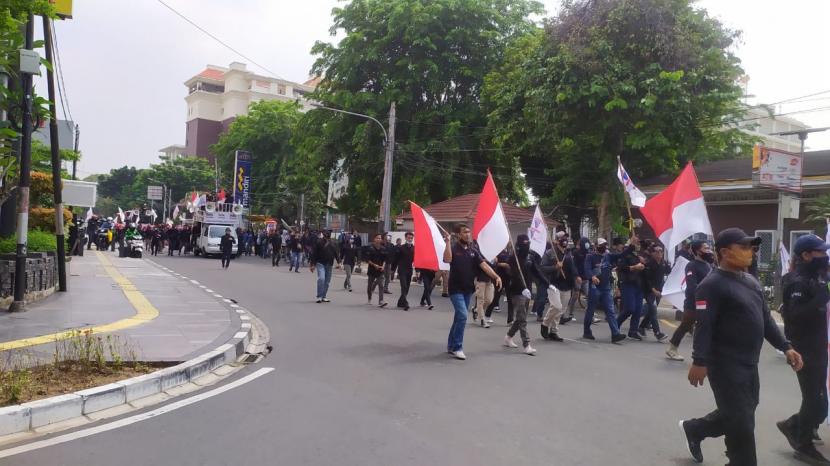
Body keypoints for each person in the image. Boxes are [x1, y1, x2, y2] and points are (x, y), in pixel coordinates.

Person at [679, 228, 803, 465]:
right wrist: (699, 361)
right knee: (743, 423)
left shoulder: (750, 281)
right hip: (724, 364)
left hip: (749, 363)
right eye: (744, 247)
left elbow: (766, 320)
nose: (751, 253)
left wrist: (786, 346)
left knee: (742, 413)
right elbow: (704, 326)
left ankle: (696, 429)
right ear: (725, 252)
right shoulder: (711, 285)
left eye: (751, 248)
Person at [777, 234, 830, 464]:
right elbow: (795, 316)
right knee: (814, 401)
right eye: (820, 252)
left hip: (818, 346)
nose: (825, 255)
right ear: (807, 255)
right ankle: (803, 445)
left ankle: (792, 425)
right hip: (804, 349)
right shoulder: (798, 281)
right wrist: (822, 297)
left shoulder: (815, 276)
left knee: (821, 405)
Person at [443, 224, 502, 360]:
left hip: (467, 289)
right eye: (465, 232)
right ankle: (458, 347)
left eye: (469, 232)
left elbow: (484, 266)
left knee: (459, 317)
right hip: (455, 289)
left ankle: (451, 345)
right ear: (458, 235)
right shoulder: (453, 249)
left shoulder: (473, 251)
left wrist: (496, 276)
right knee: (463, 315)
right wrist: (447, 242)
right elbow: (447, 259)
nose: (468, 234)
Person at [666, 240, 715, 361]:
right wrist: (703, 295)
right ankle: (672, 349)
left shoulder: (709, 266)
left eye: (709, 248)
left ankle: (706, 353)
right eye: (706, 248)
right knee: (686, 325)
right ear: (698, 251)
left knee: (706, 327)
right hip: (694, 303)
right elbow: (692, 286)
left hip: (708, 302)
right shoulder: (692, 265)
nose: (709, 250)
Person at [583, 238, 627, 343]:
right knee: (591, 310)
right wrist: (592, 277)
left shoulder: (608, 256)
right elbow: (587, 269)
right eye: (601, 245)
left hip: (606, 287)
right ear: (596, 246)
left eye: (605, 245)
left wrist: (631, 246)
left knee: (610, 311)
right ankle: (586, 331)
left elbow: (621, 255)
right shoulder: (590, 257)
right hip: (595, 287)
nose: (604, 247)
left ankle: (615, 334)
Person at [540, 232, 579, 341]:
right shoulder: (550, 253)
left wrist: (576, 279)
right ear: (556, 241)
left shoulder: (568, 254)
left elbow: (572, 269)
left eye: (566, 238)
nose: (565, 240)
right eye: (562, 238)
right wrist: (555, 267)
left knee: (561, 310)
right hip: (553, 284)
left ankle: (554, 331)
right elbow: (542, 268)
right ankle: (545, 323)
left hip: (567, 285)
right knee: (556, 306)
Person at [503, 234, 537, 356]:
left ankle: (508, 336)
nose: (526, 245)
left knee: (521, 317)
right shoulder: (513, 258)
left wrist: (548, 284)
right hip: (517, 291)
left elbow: (536, 271)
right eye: (524, 243)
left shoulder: (530, 257)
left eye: (528, 242)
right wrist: (522, 288)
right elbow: (514, 275)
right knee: (522, 319)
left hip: (527, 291)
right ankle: (526, 344)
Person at [615, 235, 647, 340]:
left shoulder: (639, 255)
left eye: (638, 243)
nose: (638, 244)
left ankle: (633, 331)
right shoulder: (624, 254)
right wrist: (634, 267)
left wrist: (643, 264)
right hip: (627, 283)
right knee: (629, 308)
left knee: (638, 309)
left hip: (638, 284)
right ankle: (615, 325)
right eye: (636, 242)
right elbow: (621, 268)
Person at [637, 244, 670, 341]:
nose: (659, 253)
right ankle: (658, 333)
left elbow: (669, 271)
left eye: (661, 251)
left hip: (659, 290)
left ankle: (641, 327)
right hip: (650, 291)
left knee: (650, 311)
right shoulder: (649, 264)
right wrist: (653, 290)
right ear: (652, 253)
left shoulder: (663, 263)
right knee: (653, 311)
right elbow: (647, 280)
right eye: (657, 251)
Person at [485, 248, 513, 325]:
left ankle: (510, 320)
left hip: (508, 278)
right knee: (496, 298)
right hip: (499, 278)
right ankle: (487, 314)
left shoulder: (510, 252)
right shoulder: (496, 252)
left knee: (510, 299)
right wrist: (501, 264)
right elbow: (491, 263)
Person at [310, 231, 339, 303]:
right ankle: (319, 296)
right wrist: (312, 264)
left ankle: (324, 296)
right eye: (326, 234)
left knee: (327, 282)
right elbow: (314, 253)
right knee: (321, 278)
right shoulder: (319, 242)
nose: (327, 235)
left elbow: (336, 253)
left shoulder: (333, 243)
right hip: (320, 263)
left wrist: (339, 262)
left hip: (329, 264)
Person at [364, 233, 388, 307]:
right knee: (370, 286)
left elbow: (385, 259)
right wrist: (374, 265)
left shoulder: (383, 249)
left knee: (381, 285)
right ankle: (369, 298)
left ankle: (381, 301)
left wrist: (383, 266)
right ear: (374, 239)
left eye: (380, 238)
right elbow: (367, 260)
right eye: (377, 238)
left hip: (380, 270)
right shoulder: (370, 248)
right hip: (372, 269)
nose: (379, 239)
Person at [473, 253, 497, 328]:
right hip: (480, 279)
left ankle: (476, 310)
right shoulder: (478, 253)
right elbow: (477, 264)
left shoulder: (494, 255)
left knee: (489, 300)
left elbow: (494, 267)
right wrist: (485, 260)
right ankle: (482, 320)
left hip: (490, 280)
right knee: (481, 299)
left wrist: (495, 261)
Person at [396, 232, 415, 310]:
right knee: (403, 286)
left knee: (407, 287)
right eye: (408, 237)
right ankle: (405, 303)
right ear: (405, 238)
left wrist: (417, 270)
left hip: (409, 269)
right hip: (402, 269)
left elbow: (416, 260)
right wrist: (393, 269)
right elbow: (396, 259)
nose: (410, 239)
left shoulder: (414, 248)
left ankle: (400, 302)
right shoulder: (401, 247)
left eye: (411, 238)